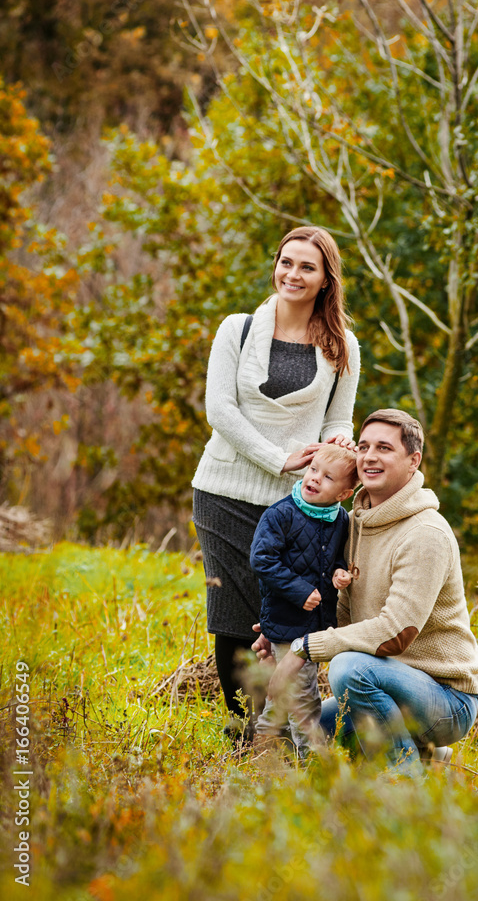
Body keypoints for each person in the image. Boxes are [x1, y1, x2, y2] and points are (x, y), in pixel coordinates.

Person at [191, 227, 360, 735]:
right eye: (286, 262)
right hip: (223, 492)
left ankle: (281, 729)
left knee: (286, 614)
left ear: (326, 279)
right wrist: (277, 457)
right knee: (233, 613)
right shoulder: (236, 329)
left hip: (294, 507)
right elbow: (218, 409)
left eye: (307, 267)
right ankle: (244, 729)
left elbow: (338, 421)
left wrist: (340, 449)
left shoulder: (341, 345)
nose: (293, 274)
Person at [255, 408, 478, 771]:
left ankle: (406, 782)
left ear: (414, 460)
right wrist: (285, 632)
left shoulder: (426, 534)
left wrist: (304, 649)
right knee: (298, 735)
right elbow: (341, 612)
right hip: (382, 682)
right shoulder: (354, 523)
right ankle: (430, 758)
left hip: (443, 698)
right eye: (363, 446)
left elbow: (395, 632)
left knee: (348, 669)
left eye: (384, 448)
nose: (370, 456)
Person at [250, 444, 358, 752]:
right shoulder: (281, 514)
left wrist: (340, 574)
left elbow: (335, 558)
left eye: (327, 477)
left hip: (317, 623)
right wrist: (299, 590)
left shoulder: (340, 520)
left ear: (343, 494)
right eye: (313, 470)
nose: (314, 478)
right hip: (288, 619)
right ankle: (311, 759)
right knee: (304, 697)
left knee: (288, 691)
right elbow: (262, 559)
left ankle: (262, 747)